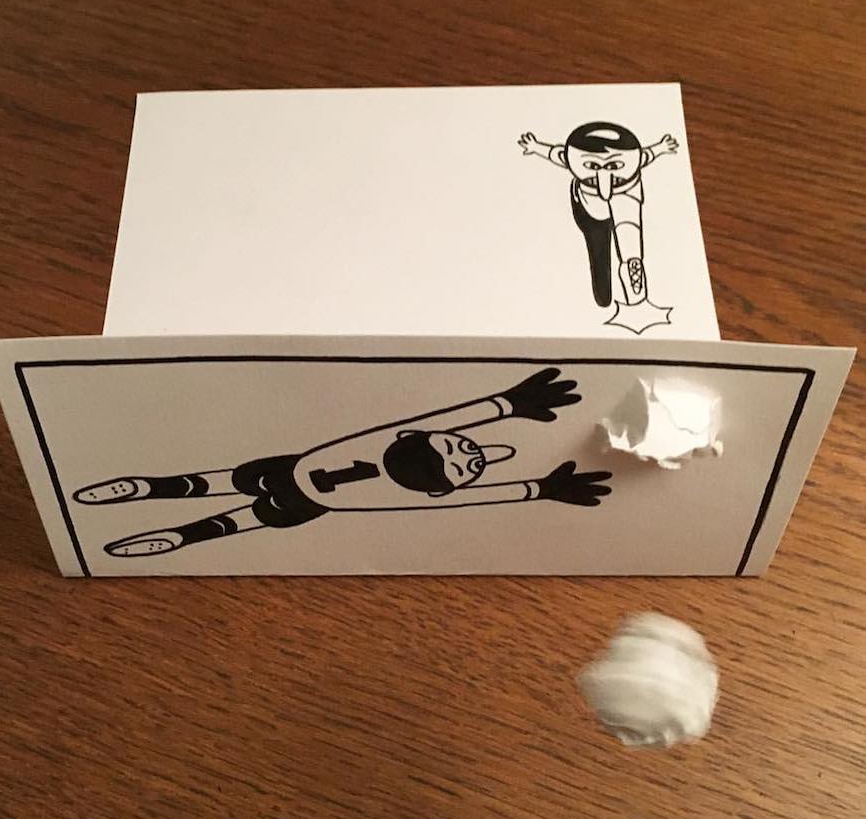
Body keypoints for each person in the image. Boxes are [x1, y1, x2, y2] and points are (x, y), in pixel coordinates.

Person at [73, 368, 612, 557]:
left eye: (461, 462)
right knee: (219, 490)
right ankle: (151, 494)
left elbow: (457, 457)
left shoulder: (403, 470)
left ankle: (174, 529)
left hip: (304, 494)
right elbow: (452, 432)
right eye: (457, 449)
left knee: (231, 510)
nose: (464, 452)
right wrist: (505, 409)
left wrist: (534, 481)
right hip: (295, 476)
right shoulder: (399, 451)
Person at [519, 121, 677, 320]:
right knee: (599, 254)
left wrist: (662, 147)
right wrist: (535, 146)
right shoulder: (570, 158)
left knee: (632, 257)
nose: (604, 173)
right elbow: (555, 154)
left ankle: (637, 303)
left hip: (626, 196)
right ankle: (604, 294)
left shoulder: (634, 161)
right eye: (593, 166)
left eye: (614, 165)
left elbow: (647, 155)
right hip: (590, 205)